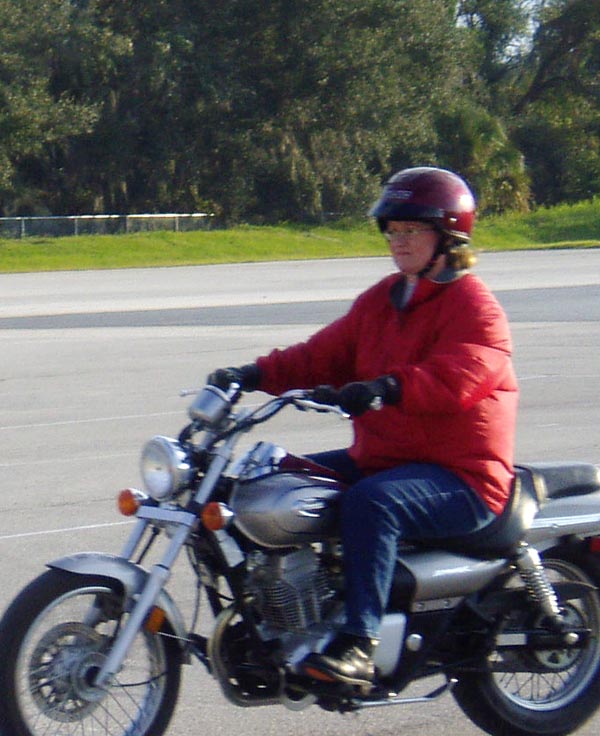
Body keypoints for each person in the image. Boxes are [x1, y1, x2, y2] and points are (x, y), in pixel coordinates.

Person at [208, 166, 518, 687]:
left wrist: (387, 387)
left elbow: (461, 375)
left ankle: (358, 643)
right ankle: (275, 619)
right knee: (263, 485)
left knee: (372, 503)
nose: (399, 241)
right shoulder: (383, 300)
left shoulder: (475, 307)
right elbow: (322, 355)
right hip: (385, 458)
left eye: (412, 230)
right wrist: (253, 375)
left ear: (448, 236)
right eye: (392, 230)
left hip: (463, 476)